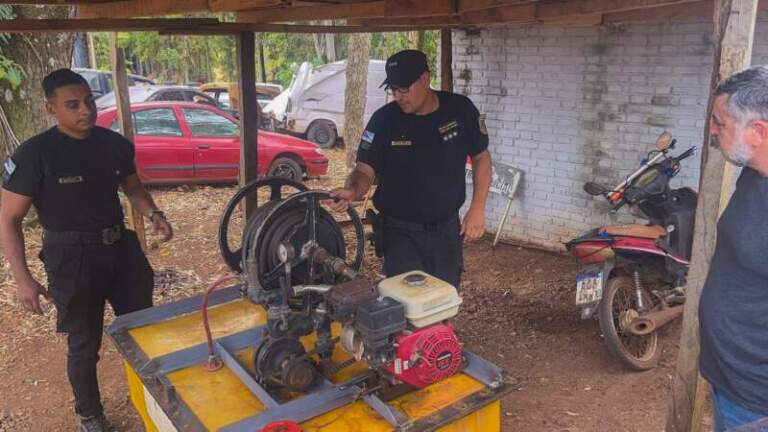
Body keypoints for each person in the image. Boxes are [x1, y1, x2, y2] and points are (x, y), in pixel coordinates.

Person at [0, 69, 173, 432]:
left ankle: (151, 400)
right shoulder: (35, 155)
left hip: (122, 251)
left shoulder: (114, 145)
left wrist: (153, 214)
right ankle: (90, 417)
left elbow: (133, 188)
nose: (86, 111)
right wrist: (23, 280)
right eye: (73, 105)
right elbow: (8, 219)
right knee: (84, 343)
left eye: (89, 101)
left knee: (142, 329)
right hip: (72, 258)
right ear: (51, 109)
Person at [327, 49, 492, 288]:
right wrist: (352, 191)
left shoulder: (460, 110)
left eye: (404, 89)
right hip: (399, 233)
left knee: (443, 300)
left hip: (446, 231)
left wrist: (477, 209)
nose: (398, 96)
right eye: (393, 89)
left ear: (425, 80)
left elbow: (481, 157)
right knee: (406, 305)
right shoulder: (384, 121)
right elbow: (364, 170)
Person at [699, 65, 768, 432]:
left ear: (757, 132)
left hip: (757, 401)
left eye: (720, 122)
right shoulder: (755, 173)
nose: (712, 130)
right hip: (729, 377)